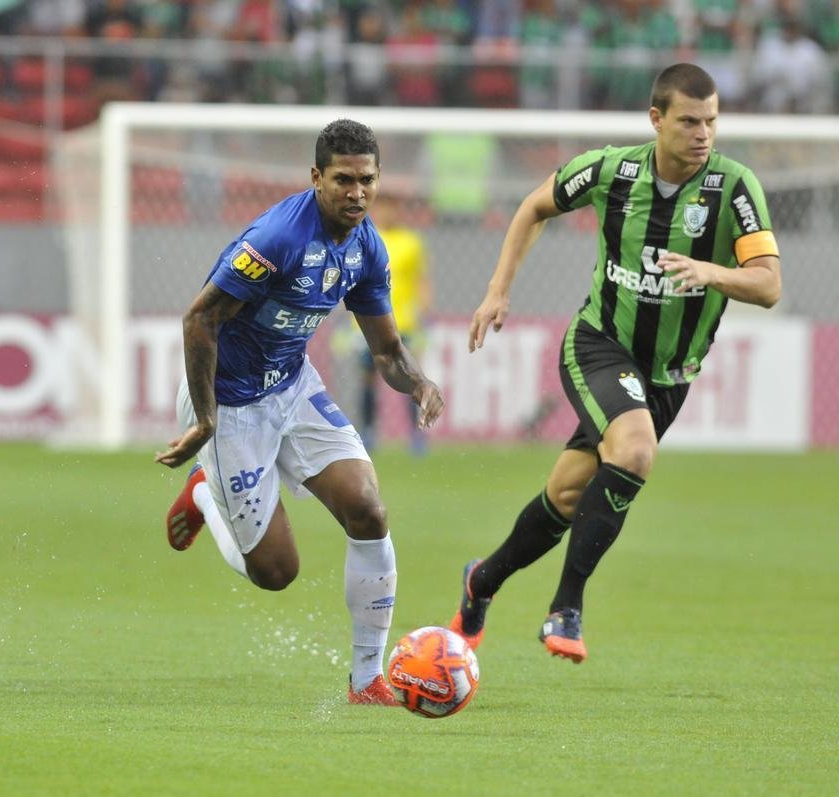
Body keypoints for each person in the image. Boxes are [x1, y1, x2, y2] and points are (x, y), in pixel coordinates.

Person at [451, 63, 781, 663]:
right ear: (656, 119)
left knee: (566, 494)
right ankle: (566, 608)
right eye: (689, 121)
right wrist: (498, 290)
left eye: (711, 122)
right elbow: (533, 207)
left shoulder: (735, 188)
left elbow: (768, 285)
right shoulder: (611, 170)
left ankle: (482, 581)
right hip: (600, 344)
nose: (703, 134)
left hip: (670, 376)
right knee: (634, 451)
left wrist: (711, 272)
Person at [156, 119, 445, 705]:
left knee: (368, 509)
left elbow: (386, 350)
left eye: (367, 180)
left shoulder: (366, 246)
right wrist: (206, 421)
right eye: (343, 180)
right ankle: (205, 492)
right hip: (229, 401)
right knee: (275, 573)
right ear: (317, 177)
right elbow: (199, 319)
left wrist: (417, 383)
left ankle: (367, 680)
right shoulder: (278, 239)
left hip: (292, 385)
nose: (357, 193)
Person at [354, 192, 430, 454]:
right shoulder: (364, 238)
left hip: (403, 322)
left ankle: (416, 434)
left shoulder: (411, 242)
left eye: (392, 208)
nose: (387, 213)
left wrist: (424, 315)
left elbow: (421, 280)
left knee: (409, 377)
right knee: (368, 379)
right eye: (383, 208)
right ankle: (368, 432)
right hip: (367, 322)